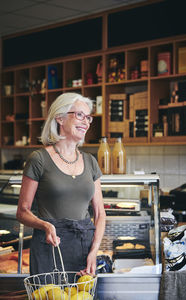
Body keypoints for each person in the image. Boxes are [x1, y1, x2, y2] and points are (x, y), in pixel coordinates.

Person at [16, 92, 106, 276]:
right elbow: (22, 211)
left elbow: (100, 213)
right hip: (49, 247)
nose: (86, 122)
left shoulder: (90, 162)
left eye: (88, 117)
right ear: (60, 118)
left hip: (84, 249)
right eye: (80, 115)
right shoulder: (39, 159)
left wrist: (94, 251)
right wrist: (46, 226)